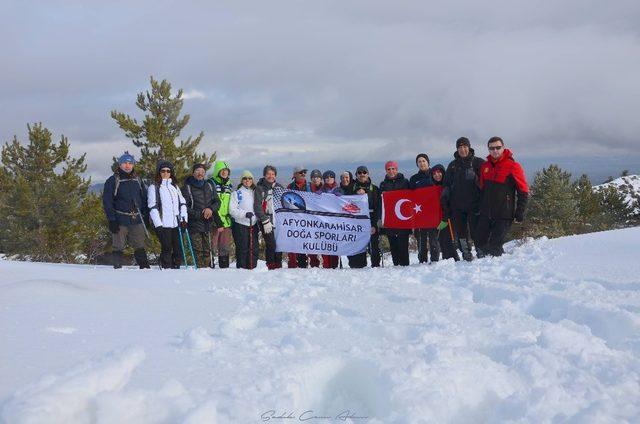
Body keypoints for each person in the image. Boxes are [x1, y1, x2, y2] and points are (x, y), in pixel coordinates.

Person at [476, 136, 529, 257]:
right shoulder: (485, 167)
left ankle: (497, 271)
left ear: (503, 147)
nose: (495, 151)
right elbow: (482, 190)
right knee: (479, 241)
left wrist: (520, 211)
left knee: (495, 246)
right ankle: (480, 271)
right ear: (488, 149)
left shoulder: (513, 166)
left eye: (498, 148)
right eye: (492, 148)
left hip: (503, 214)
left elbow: (523, 190)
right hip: (486, 213)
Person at [102, 151, 150, 269]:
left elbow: (144, 198)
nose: (127, 165)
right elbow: (107, 201)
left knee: (139, 244)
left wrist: (146, 215)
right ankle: (117, 267)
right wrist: (112, 219)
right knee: (118, 245)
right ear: (120, 165)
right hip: (120, 218)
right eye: (124, 163)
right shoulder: (113, 180)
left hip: (136, 218)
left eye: (130, 163)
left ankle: (144, 268)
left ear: (133, 165)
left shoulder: (138, 180)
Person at [443, 137, 485, 261]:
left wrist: (476, 179)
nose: (462, 149)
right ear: (457, 149)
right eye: (460, 147)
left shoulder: (478, 162)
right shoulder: (452, 165)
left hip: (475, 204)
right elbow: (446, 185)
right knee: (461, 233)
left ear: (469, 147)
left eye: (465, 146)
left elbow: (486, 183)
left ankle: (480, 251)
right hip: (457, 206)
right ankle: (466, 254)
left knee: (476, 230)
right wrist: (445, 200)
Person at [148, 160, 188, 269]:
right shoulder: (154, 187)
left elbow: (182, 203)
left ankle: (176, 268)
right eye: (163, 171)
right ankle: (166, 270)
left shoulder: (174, 187)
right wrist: (158, 225)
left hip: (176, 223)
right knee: (166, 248)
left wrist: (184, 219)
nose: (166, 173)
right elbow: (153, 207)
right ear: (159, 172)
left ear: (171, 173)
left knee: (178, 249)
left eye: (168, 171)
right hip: (163, 224)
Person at [181, 163, 221, 268]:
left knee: (208, 250)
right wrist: (199, 214)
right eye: (198, 171)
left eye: (203, 172)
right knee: (197, 250)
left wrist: (210, 209)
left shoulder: (209, 185)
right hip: (194, 224)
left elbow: (217, 202)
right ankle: (199, 273)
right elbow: (183, 207)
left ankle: (208, 270)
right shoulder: (187, 187)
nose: (200, 173)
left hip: (208, 223)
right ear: (193, 172)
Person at [409, 153, 440, 263]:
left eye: (424, 161)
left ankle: (435, 260)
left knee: (433, 239)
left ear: (428, 162)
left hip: (433, 213)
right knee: (421, 239)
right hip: (419, 213)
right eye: (419, 161)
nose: (422, 163)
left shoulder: (435, 175)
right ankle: (422, 261)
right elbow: (409, 196)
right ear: (417, 164)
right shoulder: (414, 179)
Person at [348, 165, 381, 268]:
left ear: (368, 174)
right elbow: (345, 203)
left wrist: (376, 223)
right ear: (356, 175)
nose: (362, 174)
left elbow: (378, 206)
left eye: (364, 172)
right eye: (359, 173)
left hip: (371, 218)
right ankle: (358, 265)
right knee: (358, 242)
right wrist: (355, 194)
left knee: (373, 243)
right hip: (356, 220)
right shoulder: (351, 188)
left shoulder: (374, 188)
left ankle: (375, 265)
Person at [379, 160, 410, 266]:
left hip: (402, 217)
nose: (391, 171)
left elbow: (409, 198)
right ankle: (396, 264)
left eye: (393, 169)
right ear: (386, 171)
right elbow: (381, 203)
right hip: (390, 218)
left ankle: (405, 264)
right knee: (393, 243)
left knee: (403, 243)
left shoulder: (405, 182)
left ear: (397, 169)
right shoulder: (383, 184)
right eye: (389, 169)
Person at [254, 165, 284, 270]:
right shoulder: (260, 188)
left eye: (272, 174)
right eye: (268, 174)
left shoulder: (279, 187)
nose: (271, 176)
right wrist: (264, 220)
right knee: (271, 244)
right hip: (266, 220)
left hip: (278, 220)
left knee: (279, 244)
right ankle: (271, 266)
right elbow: (257, 207)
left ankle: (278, 266)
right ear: (264, 175)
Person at [230, 171, 259, 269]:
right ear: (242, 180)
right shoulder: (237, 193)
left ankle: (252, 267)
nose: (247, 180)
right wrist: (244, 214)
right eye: (245, 178)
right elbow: (232, 210)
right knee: (243, 248)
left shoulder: (255, 192)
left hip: (253, 224)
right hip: (241, 224)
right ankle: (242, 270)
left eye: (250, 178)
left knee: (254, 248)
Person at [431, 164, 460, 261]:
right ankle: (446, 260)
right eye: (434, 173)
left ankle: (454, 259)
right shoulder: (433, 187)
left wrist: (448, 214)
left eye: (439, 172)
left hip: (450, 218)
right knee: (442, 240)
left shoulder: (449, 185)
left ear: (443, 173)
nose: (437, 175)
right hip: (440, 219)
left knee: (450, 240)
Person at [208, 160, 234, 268]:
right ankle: (210, 265)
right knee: (212, 245)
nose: (224, 172)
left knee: (224, 246)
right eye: (222, 170)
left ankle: (224, 267)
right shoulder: (211, 183)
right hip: (214, 220)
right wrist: (216, 219)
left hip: (226, 221)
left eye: (226, 171)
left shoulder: (229, 185)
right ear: (217, 171)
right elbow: (210, 202)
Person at [286, 165, 311, 268]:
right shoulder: (290, 187)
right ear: (295, 174)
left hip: (308, 220)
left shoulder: (310, 186)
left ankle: (308, 265)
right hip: (295, 220)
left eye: (305, 172)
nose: (303, 174)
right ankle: (293, 265)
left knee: (308, 243)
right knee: (294, 242)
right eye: (301, 172)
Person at [319, 170, 340, 268]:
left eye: (331, 177)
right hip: (324, 221)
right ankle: (326, 265)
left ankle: (335, 265)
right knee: (325, 242)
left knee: (334, 242)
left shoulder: (339, 190)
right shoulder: (321, 191)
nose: (329, 179)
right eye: (327, 177)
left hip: (336, 221)